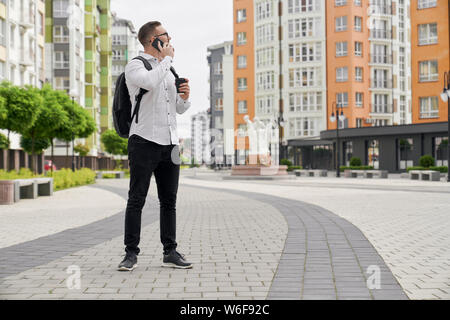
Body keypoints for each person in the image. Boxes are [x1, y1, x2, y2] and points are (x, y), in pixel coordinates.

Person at [118, 21, 192, 271]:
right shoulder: (135, 66)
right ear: (153, 41)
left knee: (169, 201)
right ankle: (130, 254)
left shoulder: (167, 71)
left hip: (170, 144)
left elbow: (177, 109)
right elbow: (149, 83)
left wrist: (185, 97)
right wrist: (167, 61)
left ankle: (170, 251)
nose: (170, 40)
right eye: (165, 36)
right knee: (136, 198)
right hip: (143, 142)